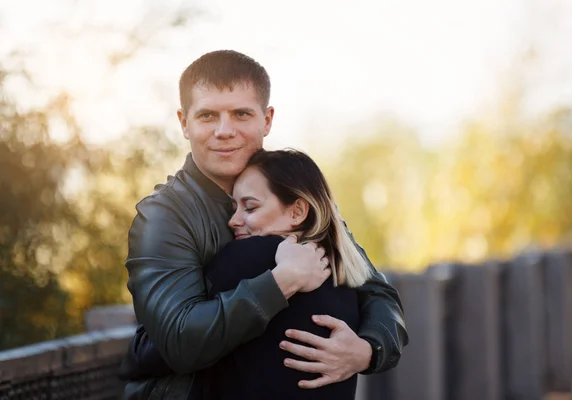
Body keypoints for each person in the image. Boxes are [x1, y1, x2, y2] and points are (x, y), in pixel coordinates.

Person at [122, 50, 408, 399]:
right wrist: (282, 282)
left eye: (241, 114)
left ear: (267, 120)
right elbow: (180, 342)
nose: (224, 131)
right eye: (208, 116)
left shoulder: (293, 190)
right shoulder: (164, 218)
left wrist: (368, 349)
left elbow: (377, 292)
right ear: (184, 123)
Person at [122, 148, 377, 399]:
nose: (233, 220)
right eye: (234, 207)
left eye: (250, 208)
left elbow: (160, 349)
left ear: (297, 211)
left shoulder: (248, 258)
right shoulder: (345, 272)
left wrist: (134, 354)